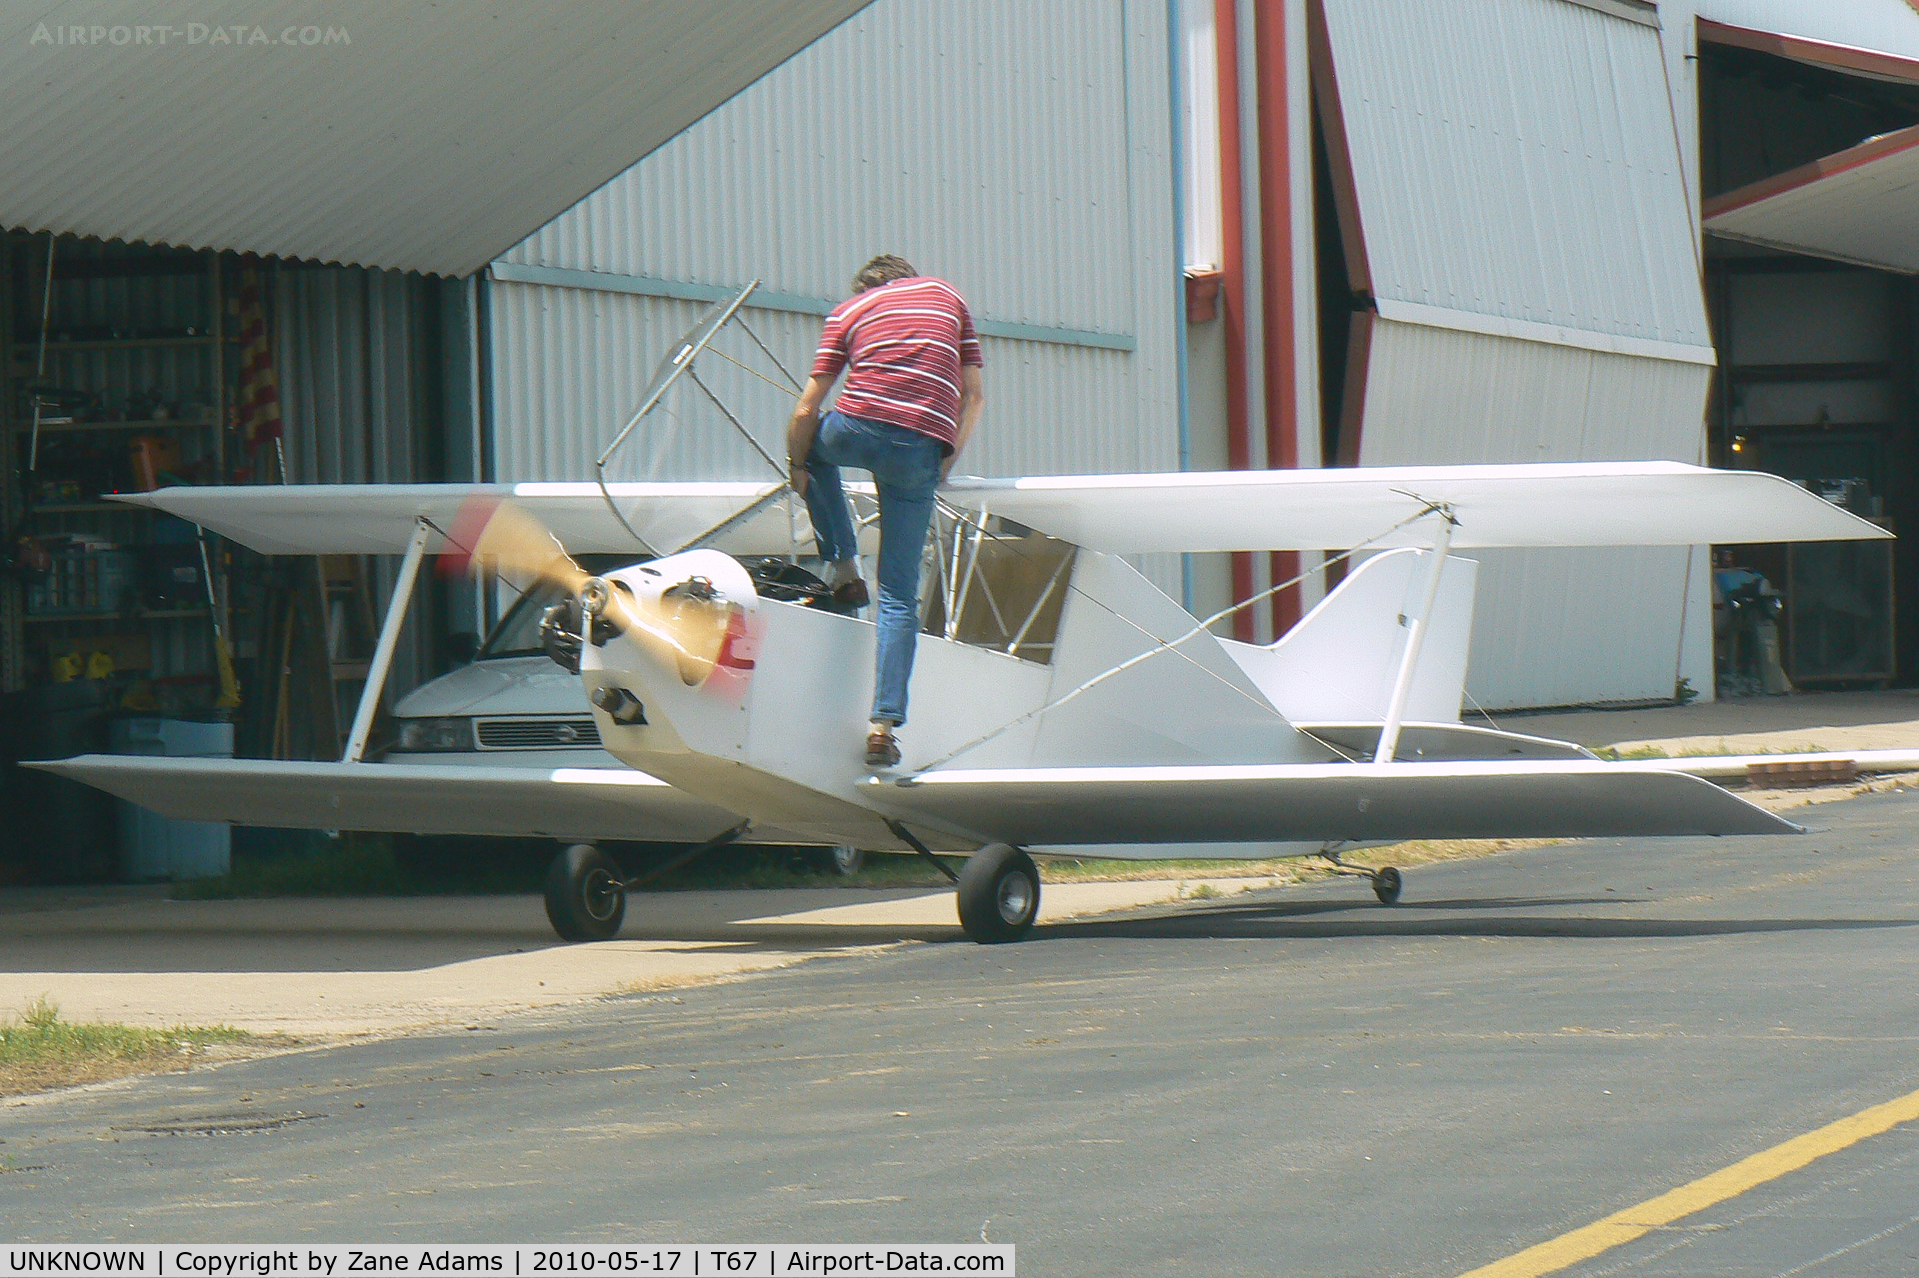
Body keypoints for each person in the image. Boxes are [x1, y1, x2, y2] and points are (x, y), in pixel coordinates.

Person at [785, 254, 986, 768]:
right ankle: (883, 725)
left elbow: (806, 409)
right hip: (921, 449)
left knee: (810, 445)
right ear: (908, 278)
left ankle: (844, 565)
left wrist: (797, 466)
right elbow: (974, 395)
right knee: (899, 595)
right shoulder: (948, 295)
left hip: (857, 429)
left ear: (867, 287)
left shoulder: (848, 311)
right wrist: (946, 458)